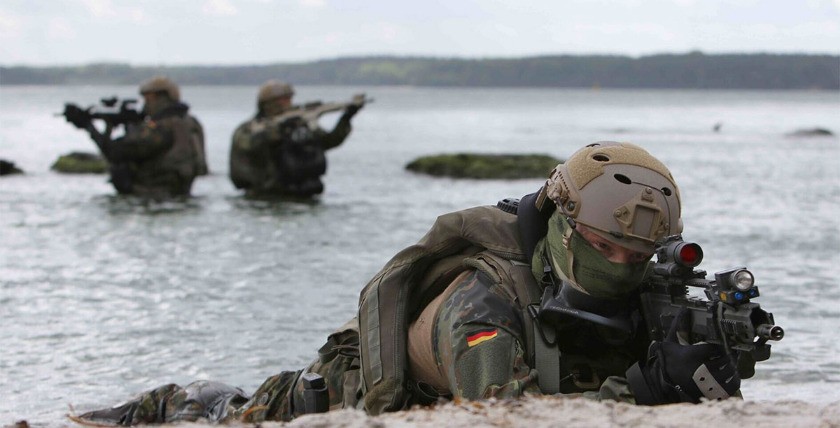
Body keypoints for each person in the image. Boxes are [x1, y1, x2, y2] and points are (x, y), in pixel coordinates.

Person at [76, 142, 748, 425]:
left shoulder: (632, 281)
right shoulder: (482, 301)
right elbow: (503, 415)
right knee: (227, 415)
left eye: (639, 254)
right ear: (561, 224)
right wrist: (646, 392)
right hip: (332, 395)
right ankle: (162, 403)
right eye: (605, 247)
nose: (622, 267)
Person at [75, 76, 207, 197]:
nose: (145, 104)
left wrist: (91, 127)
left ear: (161, 97)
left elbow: (115, 152)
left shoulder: (162, 127)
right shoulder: (190, 122)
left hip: (153, 195)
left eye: (148, 98)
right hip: (179, 193)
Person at [229, 80, 363, 199]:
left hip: (304, 194)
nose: (288, 103)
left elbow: (328, 141)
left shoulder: (299, 124)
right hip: (265, 195)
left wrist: (346, 119)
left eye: (289, 98)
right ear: (269, 103)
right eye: (283, 99)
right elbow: (249, 144)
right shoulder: (249, 128)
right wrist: (278, 131)